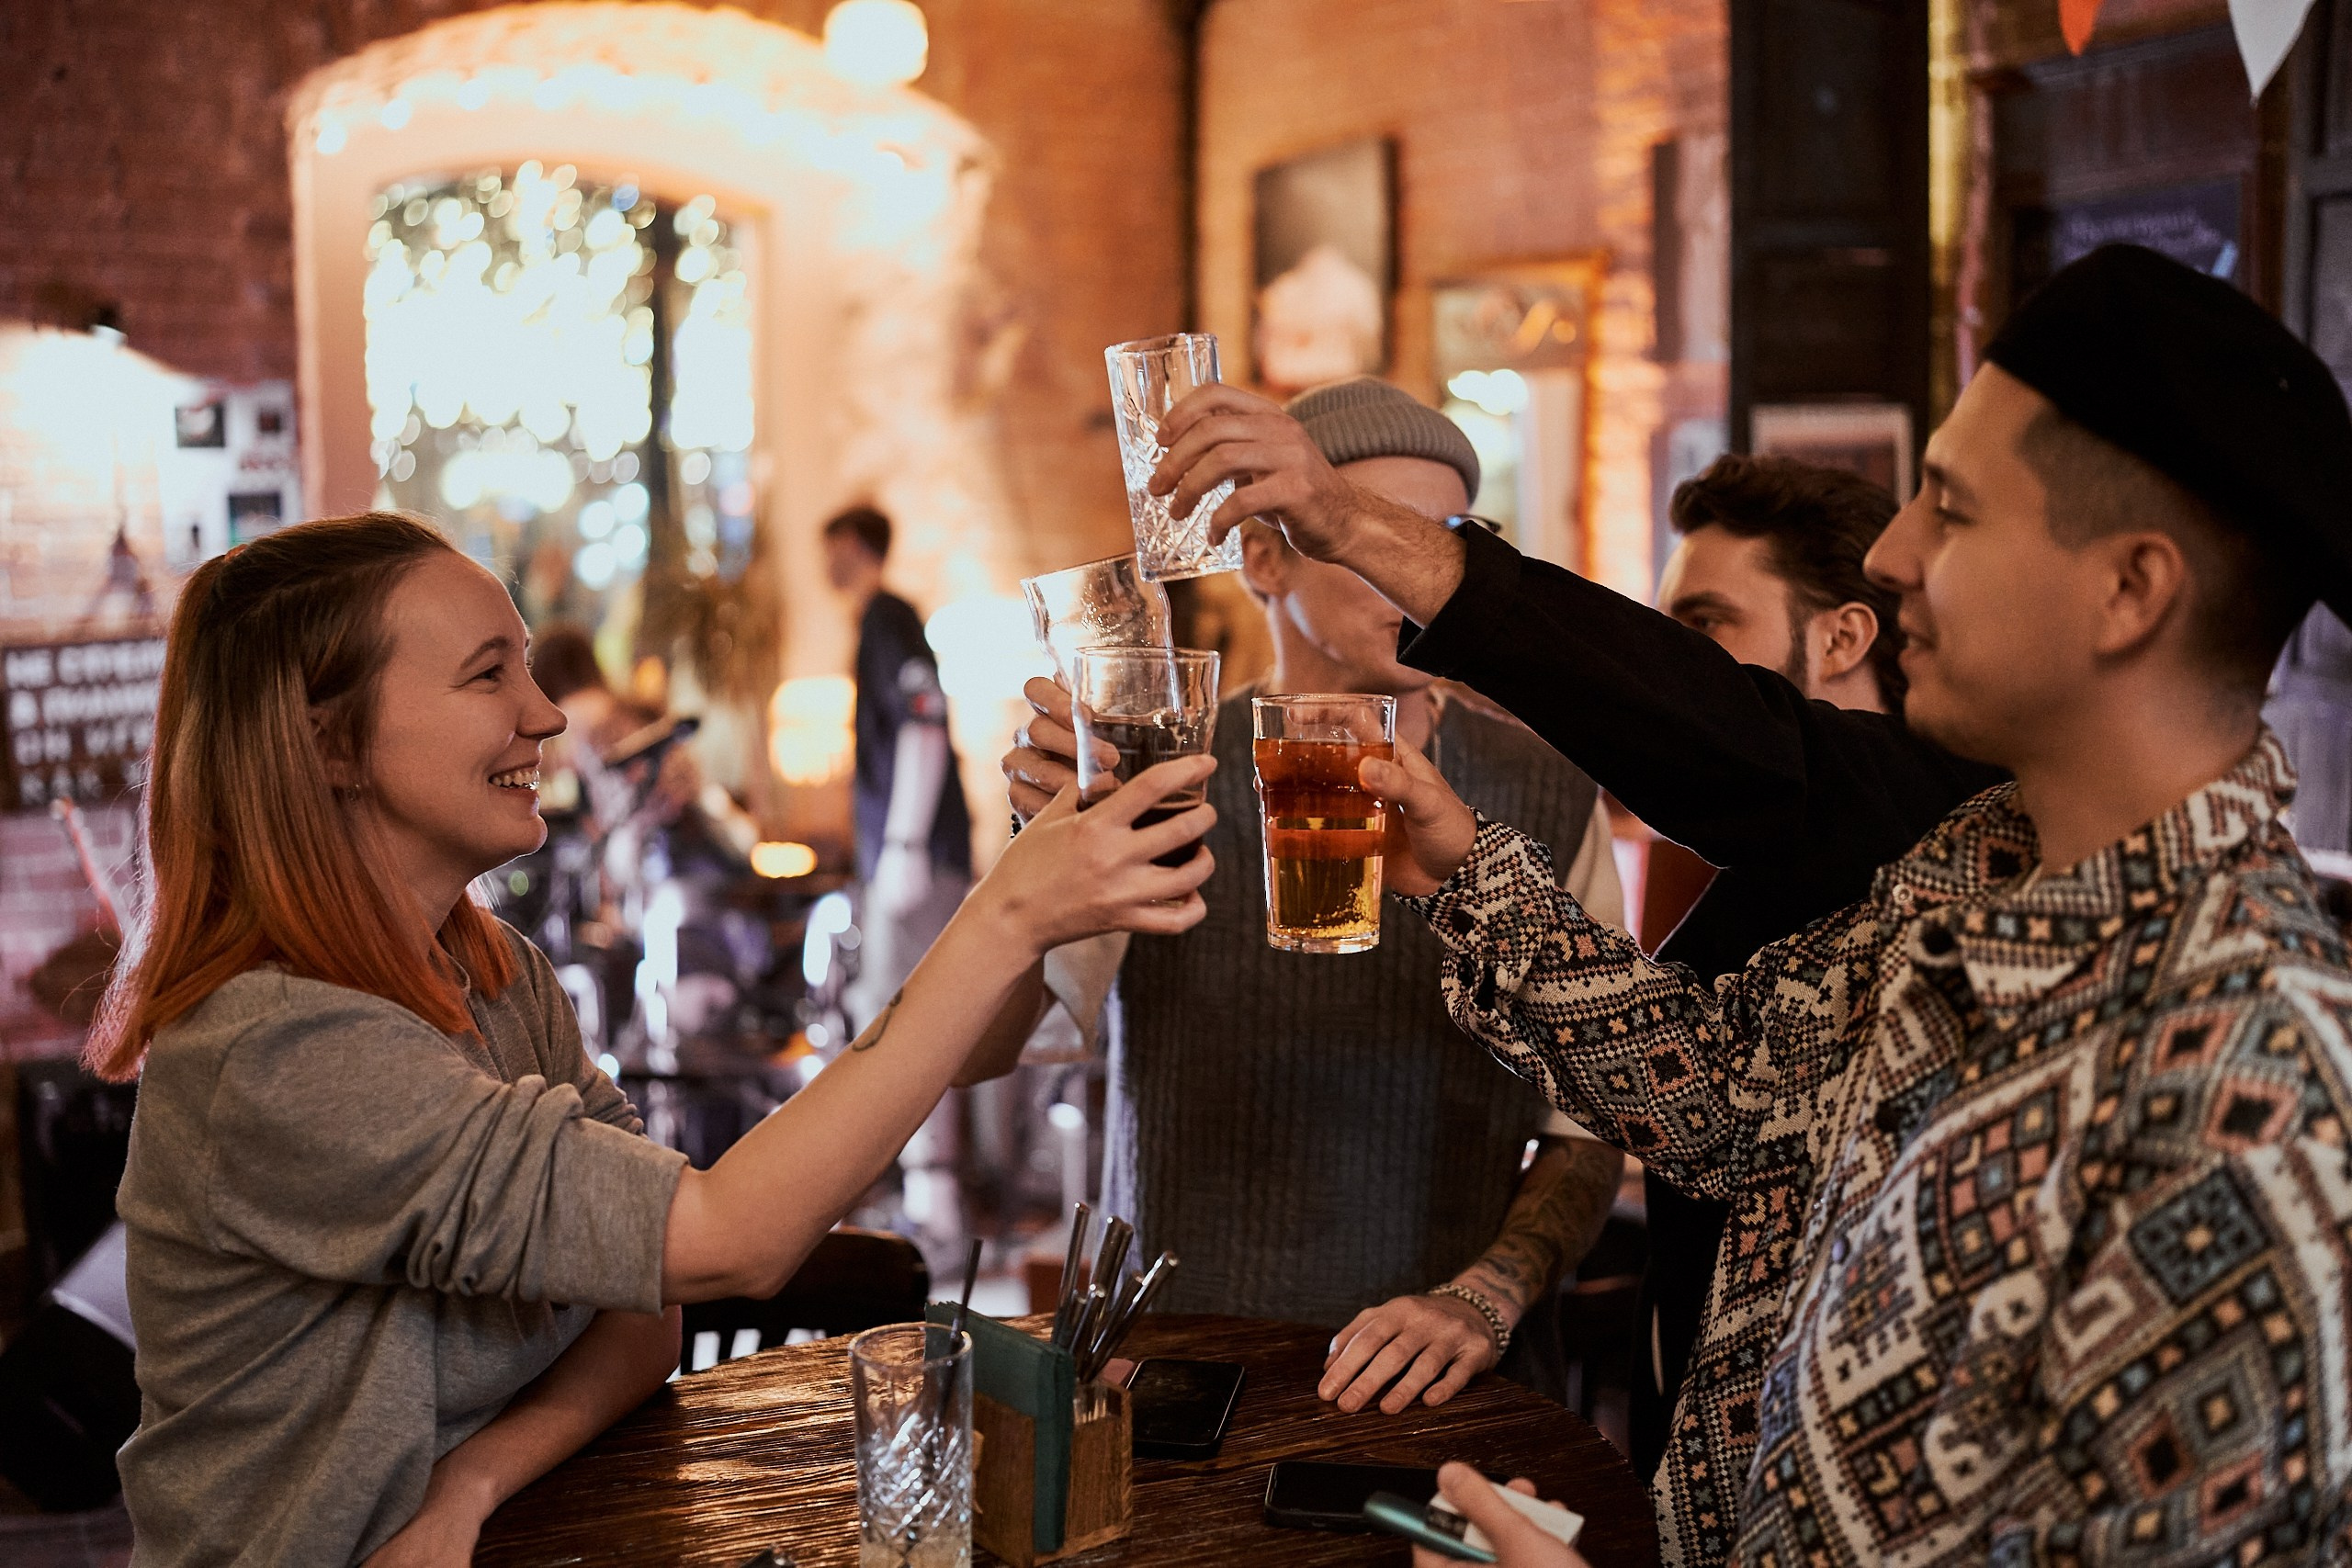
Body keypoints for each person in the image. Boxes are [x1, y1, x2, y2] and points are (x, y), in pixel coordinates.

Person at [1347, 247, 2352, 1562]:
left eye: (1954, 507)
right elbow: (1721, 1099)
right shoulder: (1979, 865)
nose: (1892, 554)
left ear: (2131, 589)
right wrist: (1471, 870)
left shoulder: (2253, 1083)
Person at [96, 512, 1216, 1565]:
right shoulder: (283, 1050)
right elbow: (733, 1237)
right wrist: (1008, 908)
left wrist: (470, 1484)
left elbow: (646, 1308)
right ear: (331, 745)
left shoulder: (495, 975)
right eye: (490, 675)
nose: (544, 714)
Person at [994, 378, 1627, 1414]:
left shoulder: (1545, 788)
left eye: (1441, 535)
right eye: (1361, 527)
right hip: (1175, 1377)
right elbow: (990, 1053)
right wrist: (1034, 864)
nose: (1406, 567)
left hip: (1446, 1388)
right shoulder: (1160, 767)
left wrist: (1484, 1297)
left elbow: (1591, 1122)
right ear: (1263, 556)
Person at [1632, 455, 1909, 1474]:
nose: (1672, 662)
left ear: (1842, 635)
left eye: (1704, 624)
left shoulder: (1914, 854)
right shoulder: (1763, 856)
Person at [824, 503, 977, 1275]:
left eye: (833, 551)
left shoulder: (887, 616)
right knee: (903, 1020)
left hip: (915, 859)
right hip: (909, 854)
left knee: (909, 1027)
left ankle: (935, 1221)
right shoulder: (881, 622)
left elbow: (924, 721)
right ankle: (931, 1212)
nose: (827, 566)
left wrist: (905, 845)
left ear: (854, 548)